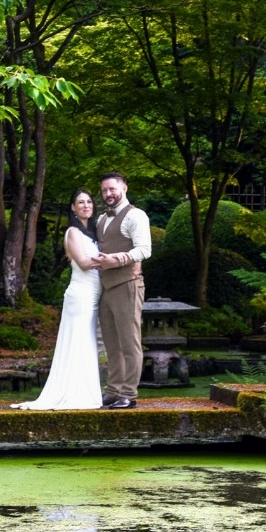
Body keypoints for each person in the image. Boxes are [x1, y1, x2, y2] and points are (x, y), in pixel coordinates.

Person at [11, 189, 102, 410]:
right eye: (80, 202)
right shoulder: (73, 232)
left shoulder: (94, 232)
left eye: (89, 201)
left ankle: (86, 391)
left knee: (88, 343)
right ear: (73, 207)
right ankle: (74, 393)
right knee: (78, 341)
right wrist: (115, 260)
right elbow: (82, 262)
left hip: (93, 294)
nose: (86, 205)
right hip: (81, 294)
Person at [92, 173, 151, 410]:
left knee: (129, 342)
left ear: (124, 188)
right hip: (106, 288)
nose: (108, 194)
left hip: (128, 284)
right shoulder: (101, 220)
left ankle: (129, 394)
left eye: (113, 189)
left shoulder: (136, 216)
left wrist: (117, 259)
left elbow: (145, 250)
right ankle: (113, 391)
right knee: (111, 344)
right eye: (105, 190)